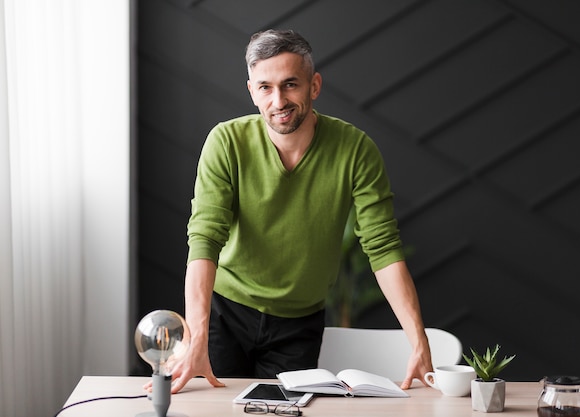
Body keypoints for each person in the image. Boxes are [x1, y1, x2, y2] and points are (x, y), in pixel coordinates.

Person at [157, 29, 433, 394]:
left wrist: (418, 342)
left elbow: (382, 248)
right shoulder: (225, 142)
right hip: (224, 315)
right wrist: (196, 337)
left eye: (290, 84)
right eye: (265, 87)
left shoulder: (356, 150)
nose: (278, 100)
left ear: (314, 86)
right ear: (252, 91)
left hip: (298, 326)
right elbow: (204, 240)